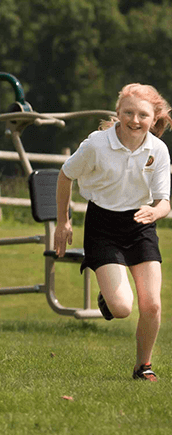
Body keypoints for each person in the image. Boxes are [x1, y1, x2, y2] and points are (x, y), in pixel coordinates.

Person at [55, 83, 170, 382]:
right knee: (121, 308)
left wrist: (155, 212)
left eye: (142, 115)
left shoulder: (158, 150)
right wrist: (62, 222)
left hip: (141, 224)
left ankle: (143, 366)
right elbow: (66, 175)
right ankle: (110, 297)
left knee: (152, 304)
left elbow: (164, 201)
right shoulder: (96, 145)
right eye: (128, 112)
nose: (135, 120)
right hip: (102, 225)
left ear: (154, 118)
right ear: (118, 113)